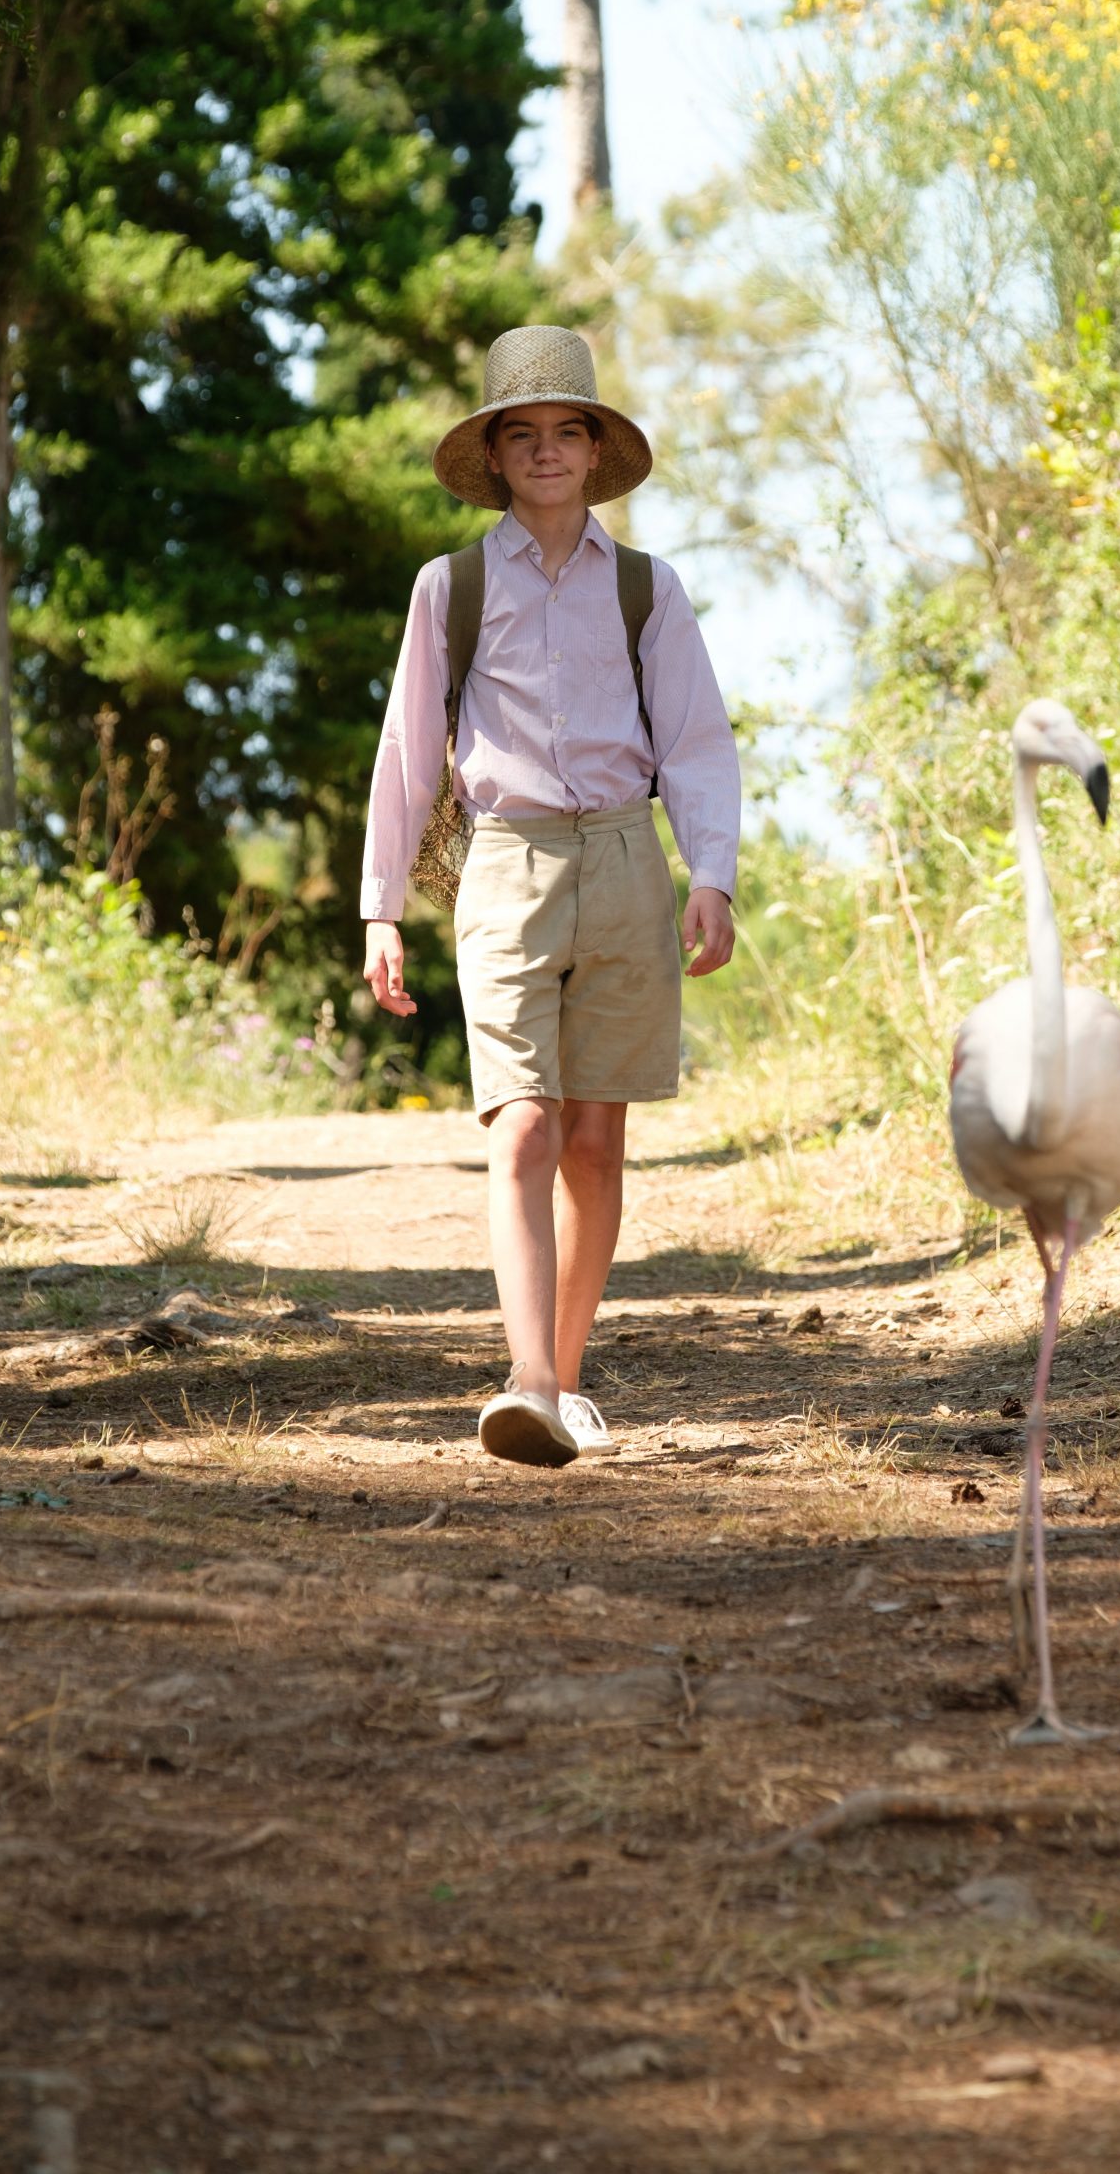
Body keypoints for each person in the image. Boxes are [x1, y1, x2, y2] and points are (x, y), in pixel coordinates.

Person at [360, 325, 741, 1467]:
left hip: (629, 864)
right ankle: (525, 1374)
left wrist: (709, 875)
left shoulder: (646, 589)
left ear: (593, 449)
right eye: (517, 435)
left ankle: (563, 1383)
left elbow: (697, 742)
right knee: (521, 1121)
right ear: (494, 454)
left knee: (594, 1142)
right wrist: (382, 904)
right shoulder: (452, 587)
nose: (542, 452)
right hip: (506, 866)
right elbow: (407, 752)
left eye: (562, 432)